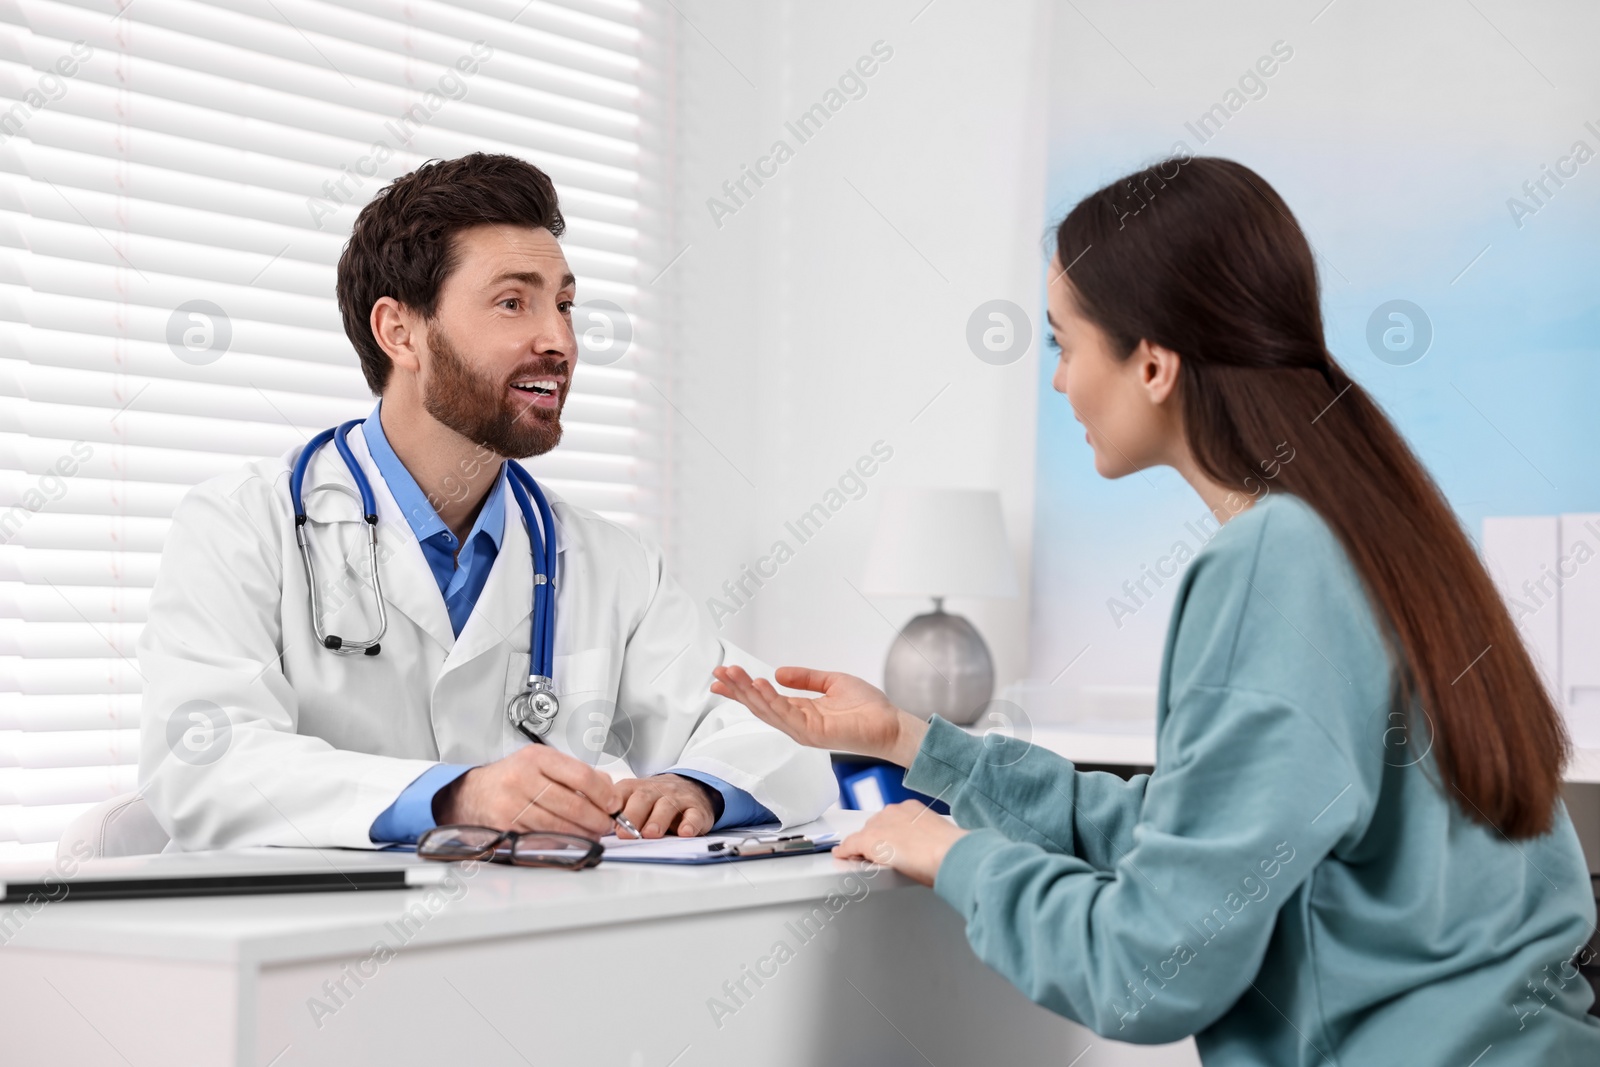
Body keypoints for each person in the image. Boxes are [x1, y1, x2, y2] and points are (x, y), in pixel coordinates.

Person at [712, 157, 1600, 1062]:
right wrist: (913, 740)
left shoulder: (1272, 565)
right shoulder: (1374, 524)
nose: (1059, 384)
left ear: (1153, 363)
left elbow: (1151, 965)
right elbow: (1197, 839)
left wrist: (953, 855)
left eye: (1063, 344)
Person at [137, 153, 835, 850]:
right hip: (292, 945)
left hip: (507, 943)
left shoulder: (608, 563)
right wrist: (456, 796)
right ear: (399, 332)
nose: (559, 340)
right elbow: (204, 762)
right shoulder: (242, 525)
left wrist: (699, 785)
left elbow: (782, 733)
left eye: (564, 304)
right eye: (513, 302)